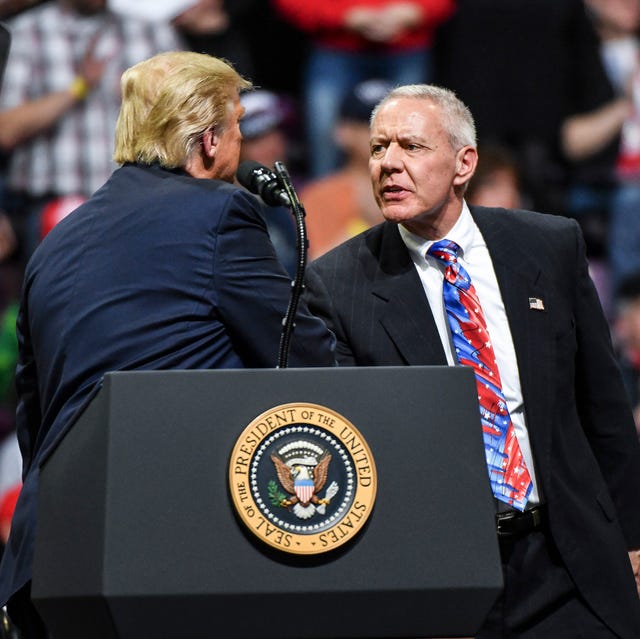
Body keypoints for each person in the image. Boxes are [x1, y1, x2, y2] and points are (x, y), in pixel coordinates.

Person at [0, 50, 336, 638]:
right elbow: (301, 357)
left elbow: (34, 412)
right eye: (236, 129)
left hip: (50, 552)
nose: (241, 147)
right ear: (209, 140)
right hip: (168, 540)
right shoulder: (220, 211)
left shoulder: (56, 242)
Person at [304, 84, 640, 638]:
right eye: (379, 147)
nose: (389, 163)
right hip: (445, 571)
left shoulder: (549, 245)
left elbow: (602, 403)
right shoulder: (338, 284)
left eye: (411, 146)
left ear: (465, 163)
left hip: (570, 558)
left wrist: (631, 534)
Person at [0, 0, 183, 263]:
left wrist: (148, 100)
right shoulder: (26, 33)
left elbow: (189, 118)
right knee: (57, 302)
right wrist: (76, 90)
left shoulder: (151, 32)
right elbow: (6, 131)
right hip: (53, 210)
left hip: (139, 206)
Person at [273, 0, 455, 177]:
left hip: (408, 47)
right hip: (334, 47)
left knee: (413, 138)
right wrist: (344, 16)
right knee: (325, 140)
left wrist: (416, 10)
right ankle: (322, 205)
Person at [302, 78, 391, 260]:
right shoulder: (319, 196)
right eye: (370, 125)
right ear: (342, 132)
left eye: (393, 123)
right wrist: (364, 224)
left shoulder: (426, 188)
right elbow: (316, 269)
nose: (384, 134)